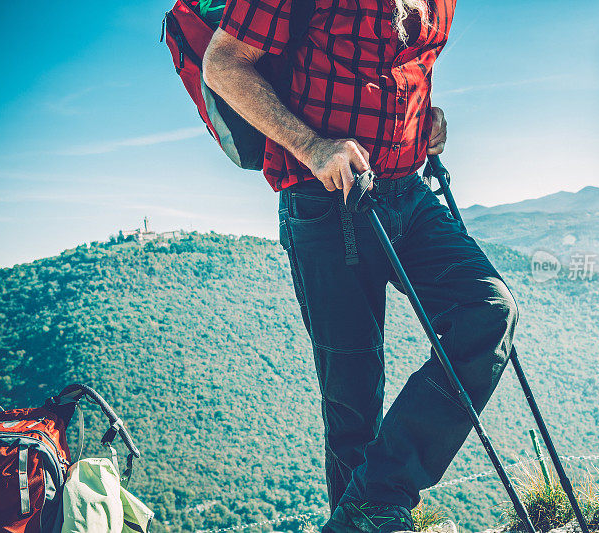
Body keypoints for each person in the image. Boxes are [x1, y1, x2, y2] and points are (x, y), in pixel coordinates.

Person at [203, 1, 519, 532]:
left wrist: (425, 121)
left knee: (488, 309)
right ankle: (370, 515)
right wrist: (311, 145)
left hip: (408, 193)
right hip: (323, 199)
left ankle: (374, 501)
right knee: (354, 398)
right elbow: (224, 62)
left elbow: (401, 66)